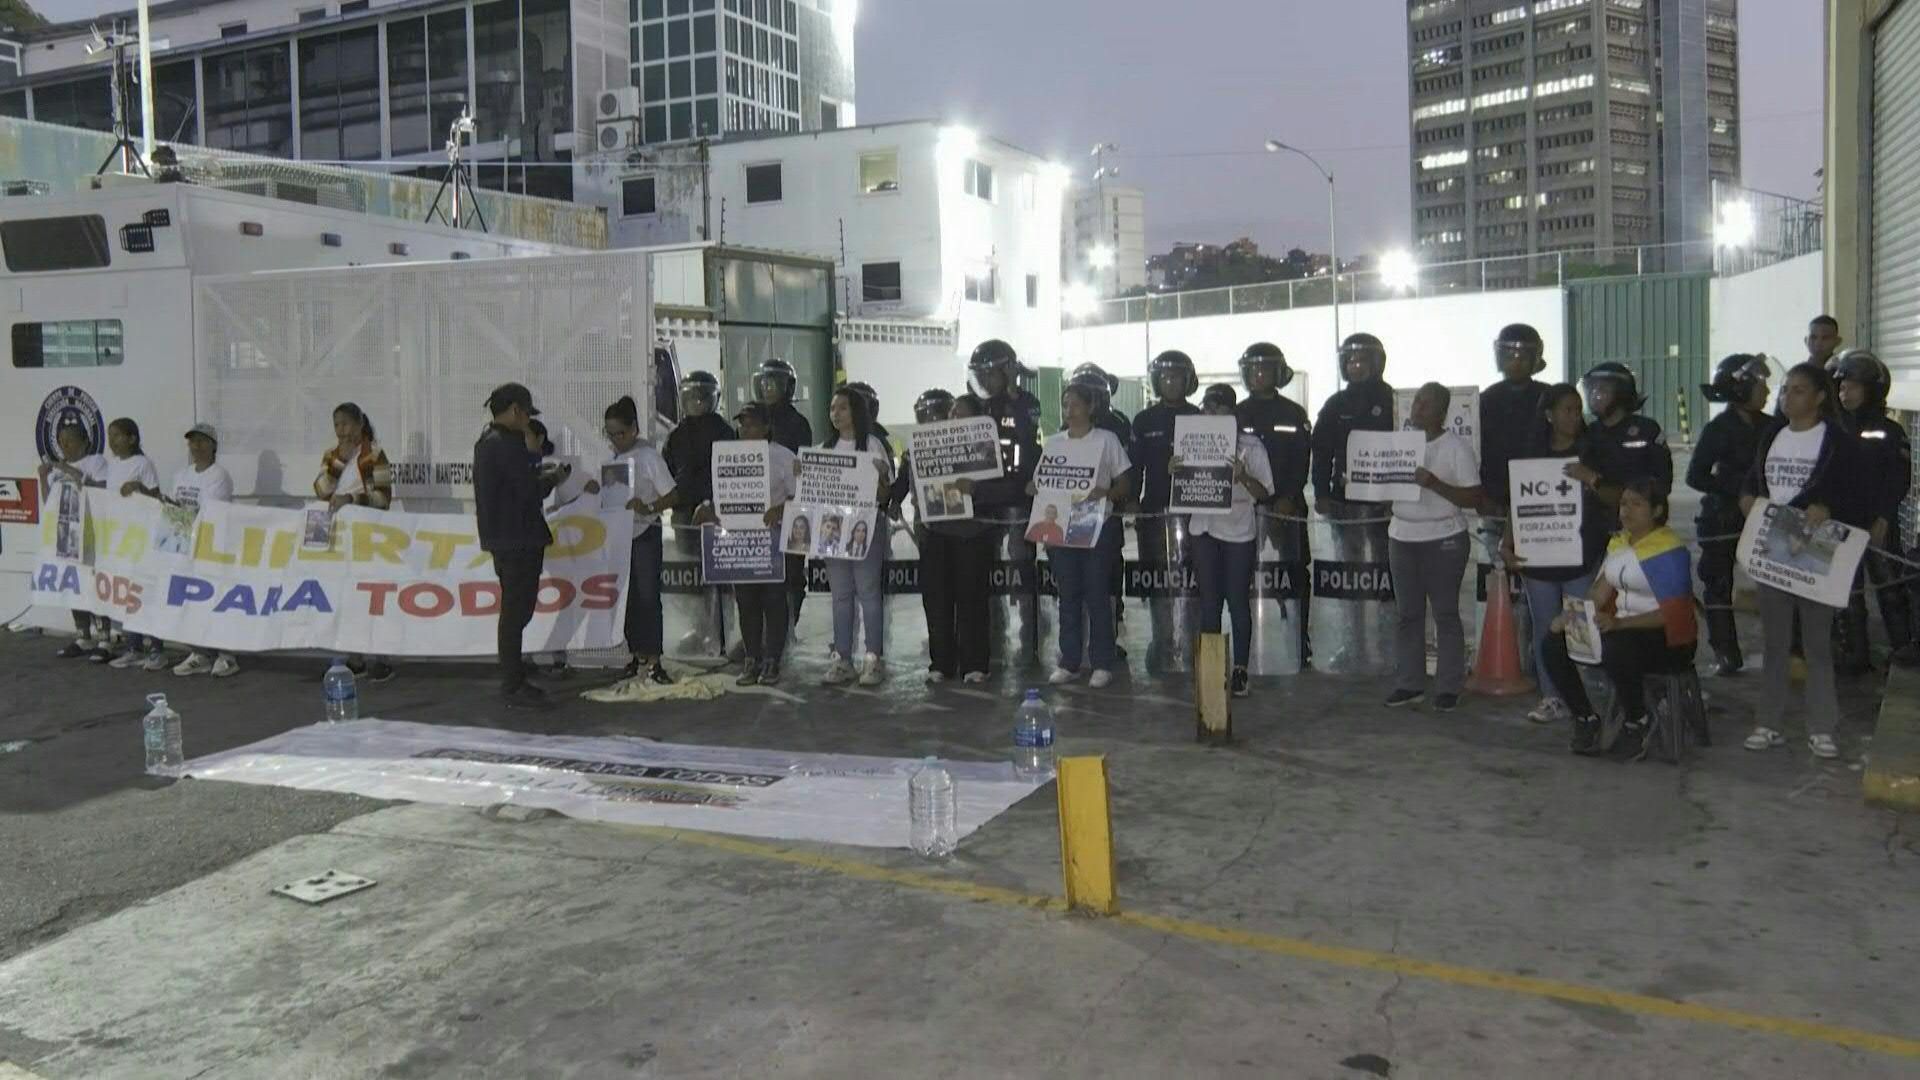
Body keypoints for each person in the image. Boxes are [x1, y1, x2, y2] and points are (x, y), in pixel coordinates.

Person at [1740, 363, 1871, 760]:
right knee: (1776, 642)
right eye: (1785, 389)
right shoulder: (1772, 435)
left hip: (1817, 552)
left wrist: (1827, 506)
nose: (1787, 396)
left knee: (1817, 644)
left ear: (1817, 397)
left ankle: (1822, 728)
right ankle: (1769, 723)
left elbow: (1854, 494)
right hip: (1774, 550)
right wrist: (1747, 498)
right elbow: (1754, 480)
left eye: (1798, 390)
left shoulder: (1837, 441)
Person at [1538, 479, 1700, 757]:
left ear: (1657, 510)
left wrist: (1620, 623)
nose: (1627, 510)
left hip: (1668, 639)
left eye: (1637, 504)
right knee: (1552, 643)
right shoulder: (1619, 544)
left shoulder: (1670, 551)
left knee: (1617, 646)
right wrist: (1571, 617)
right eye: (1624, 503)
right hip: (1622, 631)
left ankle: (1638, 720)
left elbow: (1672, 614)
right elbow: (1598, 593)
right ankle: (1585, 718)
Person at [1501, 385, 1610, 725]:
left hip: (1579, 557)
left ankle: (1590, 695)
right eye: (1567, 410)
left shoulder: (1593, 451)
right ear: (1549, 414)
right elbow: (1516, 506)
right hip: (1538, 560)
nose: (1575, 416)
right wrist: (1506, 544)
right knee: (1545, 629)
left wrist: (1590, 478)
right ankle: (1553, 697)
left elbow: (1616, 497)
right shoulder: (1531, 454)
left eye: (1578, 410)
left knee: (1582, 627)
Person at [1385, 384, 1485, 711]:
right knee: (1408, 614)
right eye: (1417, 402)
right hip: (1401, 537)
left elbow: (1473, 497)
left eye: (1427, 404)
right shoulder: (1397, 445)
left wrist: (1433, 483)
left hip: (1444, 539)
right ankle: (1410, 683)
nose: (1418, 408)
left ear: (1442, 413)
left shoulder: (1456, 446)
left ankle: (1448, 686)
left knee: (1445, 613)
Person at [1035, 382, 1132, 689]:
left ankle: (1102, 662)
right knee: (1068, 595)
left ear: (1091, 408)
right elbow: (1039, 482)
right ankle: (1069, 661)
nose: (1069, 410)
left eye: (1075, 404)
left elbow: (1125, 481)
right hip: (1061, 523)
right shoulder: (1054, 442)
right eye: (1065, 405)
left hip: (1095, 523)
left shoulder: (1107, 440)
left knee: (1097, 594)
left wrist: (1108, 494)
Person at [1311, 333, 1397, 667]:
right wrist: (1321, 492)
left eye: (1362, 360)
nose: (1355, 366)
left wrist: (1398, 496)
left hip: (1385, 507)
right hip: (1344, 504)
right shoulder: (1336, 405)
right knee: (1351, 578)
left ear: (1377, 363)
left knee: (1386, 578)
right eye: (1349, 361)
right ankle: (1354, 644)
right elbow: (1321, 452)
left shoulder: (1394, 400)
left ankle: (1388, 645)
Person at [696, 402, 796, 687]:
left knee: (775, 601)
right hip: (739, 541)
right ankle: (752, 658)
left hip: (772, 541)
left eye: (752, 424)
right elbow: (721, 496)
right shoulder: (727, 456)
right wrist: (710, 508)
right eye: (742, 424)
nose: (746, 429)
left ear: (766, 427)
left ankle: (773, 660)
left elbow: (800, 496)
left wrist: (780, 510)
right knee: (747, 602)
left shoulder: (783, 457)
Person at [1688, 354, 1776, 676]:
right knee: (1717, 585)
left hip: (1766, 516)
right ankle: (1726, 651)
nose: (1766, 391)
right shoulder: (1718, 429)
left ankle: (1787, 649)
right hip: (1722, 518)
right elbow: (1695, 476)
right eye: (1759, 384)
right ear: (1740, 388)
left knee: (1779, 585)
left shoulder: (1772, 426)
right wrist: (1737, 491)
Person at [475, 384, 559, 709]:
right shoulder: (508, 444)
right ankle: (513, 681)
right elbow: (527, 491)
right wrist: (550, 480)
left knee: (514, 608)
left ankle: (514, 673)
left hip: (501, 538)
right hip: (519, 537)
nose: (526, 421)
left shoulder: (485, 442)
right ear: (514, 411)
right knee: (516, 610)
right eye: (525, 414)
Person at [903, 391, 996, 684]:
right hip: (936, 533)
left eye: (962, 413)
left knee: (972, 599)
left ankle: (974, 664)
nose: (954, 416)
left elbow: (1004, 489)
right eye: (952, 412)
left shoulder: (986, 449)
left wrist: (977, 490)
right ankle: (941, 662)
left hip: (973, 533)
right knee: (937, 600)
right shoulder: (927, 444)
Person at [1187, 385, 1274, 697]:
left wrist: (1243, 476)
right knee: (1209, 601)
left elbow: (1265, 492)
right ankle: (1210, 670)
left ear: (1232, 413)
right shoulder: (1192, 440)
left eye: (1217, 409)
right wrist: (1175, 469)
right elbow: (1184, 486)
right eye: (1206, 409)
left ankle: (1240, 670)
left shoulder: (1252, 446)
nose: (1210, 415)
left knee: (1236, 599)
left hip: (1238, 529)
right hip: (1203, 528)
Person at [1833, 350, 1915, 669]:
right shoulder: (1832, 429)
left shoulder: (1890, 432)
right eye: (1842, 387)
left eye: (1853, 386)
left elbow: (1899, 478)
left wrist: (1883, 516)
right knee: (1846, 594)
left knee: (1890, 589)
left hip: (1878, 524)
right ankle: (1855, 654)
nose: (1845, 392)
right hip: (1840, 525)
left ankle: (1903, 647)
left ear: (1872, 390)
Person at [1235, 342, 1314, 662]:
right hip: (1247, 508)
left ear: (1278, 373)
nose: (1258, 375)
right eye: (1252, 369)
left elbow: (1301, 461)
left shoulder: (1294, 414)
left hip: (1286, 507)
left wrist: (1290, 497)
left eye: (1265, 369)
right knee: (1245, 574)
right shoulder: (1237, 414)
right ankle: (1250, 639)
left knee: (1294, 573)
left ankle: (1299, 637)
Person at [970, 339, 1046, 658]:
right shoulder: (975, 404)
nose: (985, 382)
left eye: (991, 374)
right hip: (982, 498)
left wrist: (1012, 396)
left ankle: (1030, 631)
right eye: (980, 375)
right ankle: (992, 629)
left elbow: (1029, 437)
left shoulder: (1026, 402)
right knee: (985, 566)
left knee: (1020, 564)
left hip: (1017, 497)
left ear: (1008, 371)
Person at [817, 386, 892, 686]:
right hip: (833, 528)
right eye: (833, 408)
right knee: (841, 595)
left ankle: (873, 658)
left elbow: (884, 493)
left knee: (869, 592)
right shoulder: (824, 449)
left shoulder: (872, 446)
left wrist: (881, 477)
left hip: (865, 526)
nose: (836, 414)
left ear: (856, 412)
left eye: (842, 408)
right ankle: (843, 658)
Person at [315, 401, 395, 682]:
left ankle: (380, 657)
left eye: (346, 424)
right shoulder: (331, 455)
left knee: (370, 597)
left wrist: (352, 499)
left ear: (360, 425)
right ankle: (353, 657)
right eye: (337, 424)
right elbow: (321, 490)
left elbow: (383, 498)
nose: (341, 430)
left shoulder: (374, 455)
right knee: (343, 597)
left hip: (368, 538)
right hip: (338, 539)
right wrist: (338, 463)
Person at [606, 394, 680, 684]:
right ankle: (635, 654)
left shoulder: (649, 457)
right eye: (610, 434)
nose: (616, 440)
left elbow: (673, 494)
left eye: (621, 433)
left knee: (648, 598)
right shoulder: (612, 458)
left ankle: (654, 660)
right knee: (628, 598)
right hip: (621, 536)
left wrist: (648, 507)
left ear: (634, 428)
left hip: (645, 532)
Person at [663, 371, 735, 654]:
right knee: (692, 573)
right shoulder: (676, 435)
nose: (697, 401)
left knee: (719, 573)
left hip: (717, 512)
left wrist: (715, 504)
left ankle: (722, 630)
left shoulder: (725, 431)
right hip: (684, 513)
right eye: (691, 396)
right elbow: (668, 472)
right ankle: (698, 627)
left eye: (703, 396)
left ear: (713, 399)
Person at [167, 423, 242, 679]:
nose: (196, 447)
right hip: (185, 547)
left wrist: (178, 512)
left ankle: (227, 655)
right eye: (192, 442)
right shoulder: (181, 475)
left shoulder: (219, 475)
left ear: (213, 446)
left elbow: (209, 513)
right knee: (190, 602)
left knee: (217, 601)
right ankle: (200, 652)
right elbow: (174, 509)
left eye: (202, 441)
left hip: (213, 547)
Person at [526, 418, 598, 679]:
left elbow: (578, 497)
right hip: (537, 546)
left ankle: (554, 654)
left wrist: (585, 495)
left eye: (525, 436)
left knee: (552, 601)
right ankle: (538, 652)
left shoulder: (554, 467)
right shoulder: (521, 466)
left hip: (553, 549)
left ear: (539, 439)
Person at [95, 418, 167, 670]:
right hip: (119, 541)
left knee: (145, 594)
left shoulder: (144, 464)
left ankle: (157, 650)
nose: (112, 441)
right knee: (126, 596)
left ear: (132, 438)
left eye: (117, 436)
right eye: (110, 436)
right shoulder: (112, 465)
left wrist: (139, 488)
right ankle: (133, 647)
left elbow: (157, 501)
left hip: (141, 540)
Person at [1573, 362, 1671, 535]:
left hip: (1638, 529)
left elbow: (1662, 483)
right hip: (1594, 527)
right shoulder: (1587, 434)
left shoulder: (1646, 430)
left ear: (1621, 393)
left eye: (1602, 390)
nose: (1595, 395)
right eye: (1592, 389)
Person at [40, 422, 109, 661]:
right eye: (61, 441)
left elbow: (100, 488)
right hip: (65, 535)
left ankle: (105, 639)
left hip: (90, 533)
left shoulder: (96, 461)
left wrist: (66, 468)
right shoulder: (57, 471)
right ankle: (83, 635)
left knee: (94, 585)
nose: (64, 446)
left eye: (69, 441)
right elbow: (48, 502)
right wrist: (43, 477)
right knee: (72, 586)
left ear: (83, 442)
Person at [756, 358, 814, 628]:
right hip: (761, 514)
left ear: (788, 387)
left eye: (775, 383)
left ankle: (789, 628)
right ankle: (764, 631)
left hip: (792, 508)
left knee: (792, 574)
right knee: (759, 572)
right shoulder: (752, 418)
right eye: (765, 382)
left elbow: (802, 472)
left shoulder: (798, 424)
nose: (769, 388)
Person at [1479, 323, 1554, 530]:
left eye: (1523, 357)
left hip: (1542, 495)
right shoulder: (1486, 399)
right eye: (1510, 356)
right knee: (1492, 560)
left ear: (1535, 359)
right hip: (1495, 500)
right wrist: (1482, 495)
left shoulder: (1551, 397)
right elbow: (1474, 449)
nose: (1516, 363)